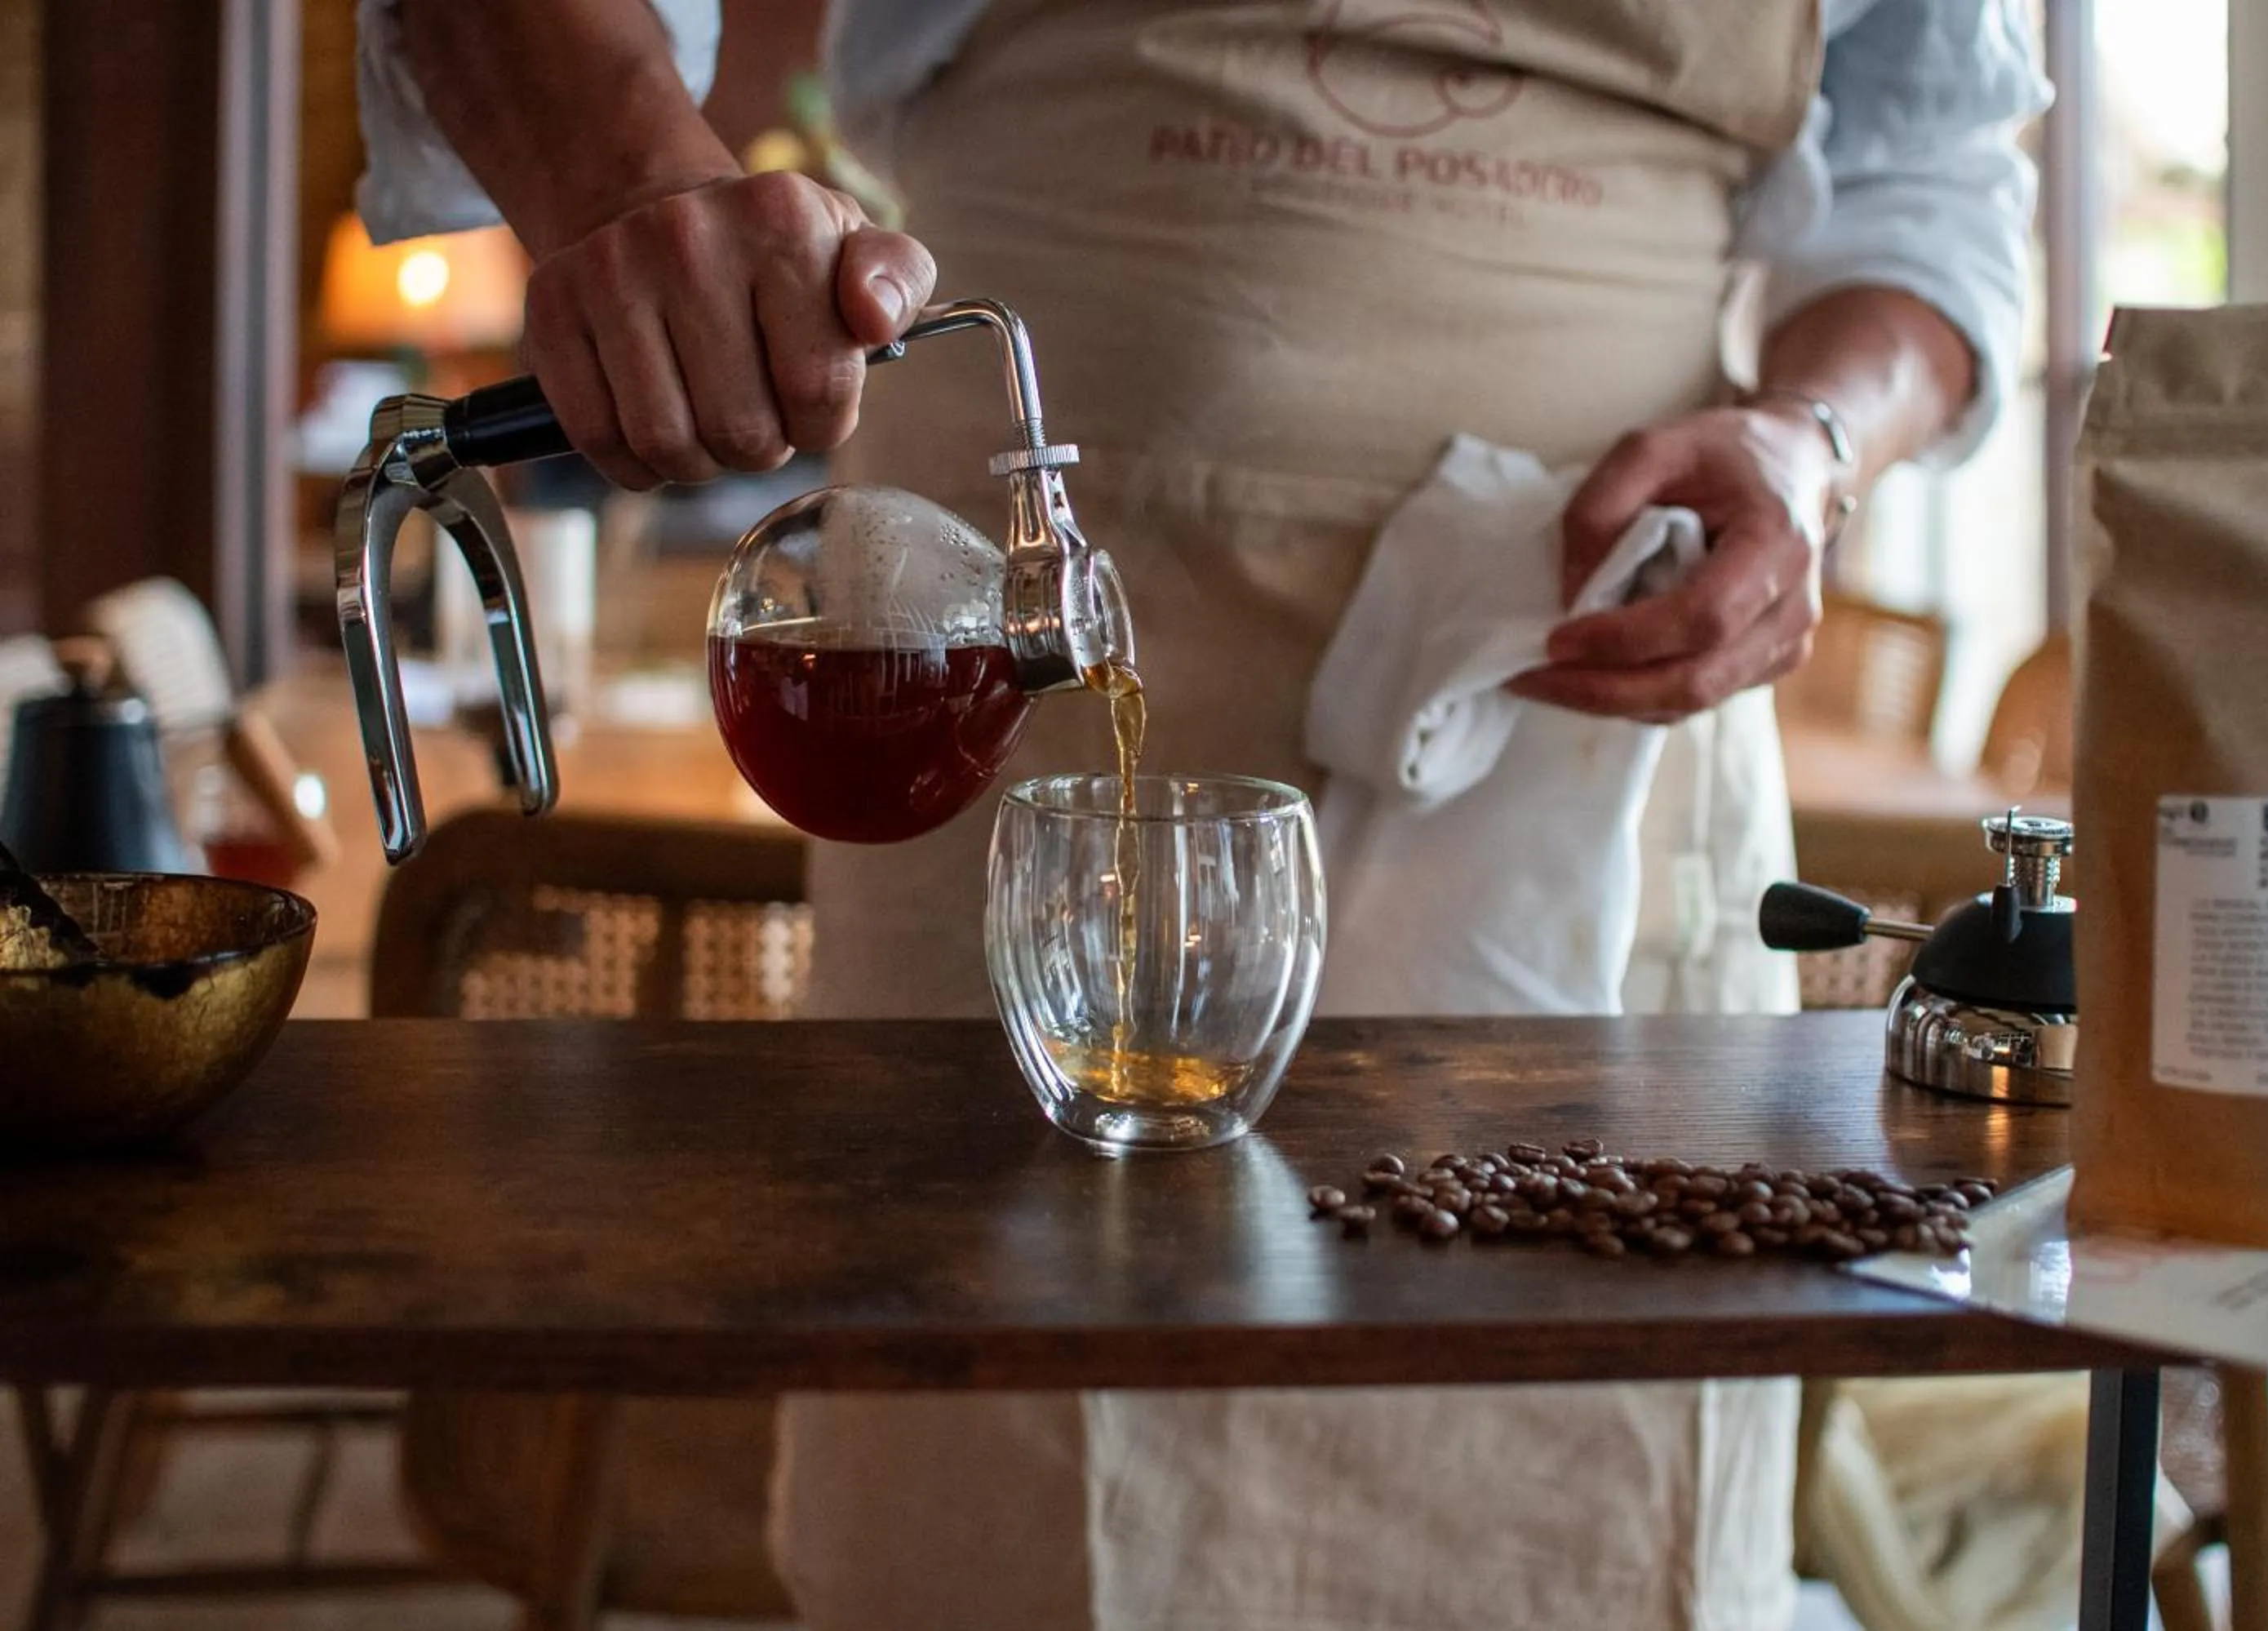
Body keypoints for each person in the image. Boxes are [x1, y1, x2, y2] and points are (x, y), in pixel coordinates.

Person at [360, 2, 2048, 1625]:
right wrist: (629, 182)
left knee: (1562, 1486)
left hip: (1592, 696)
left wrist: (1812, 441)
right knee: (994, 1488)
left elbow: (1939, 184)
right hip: (1012, 682)